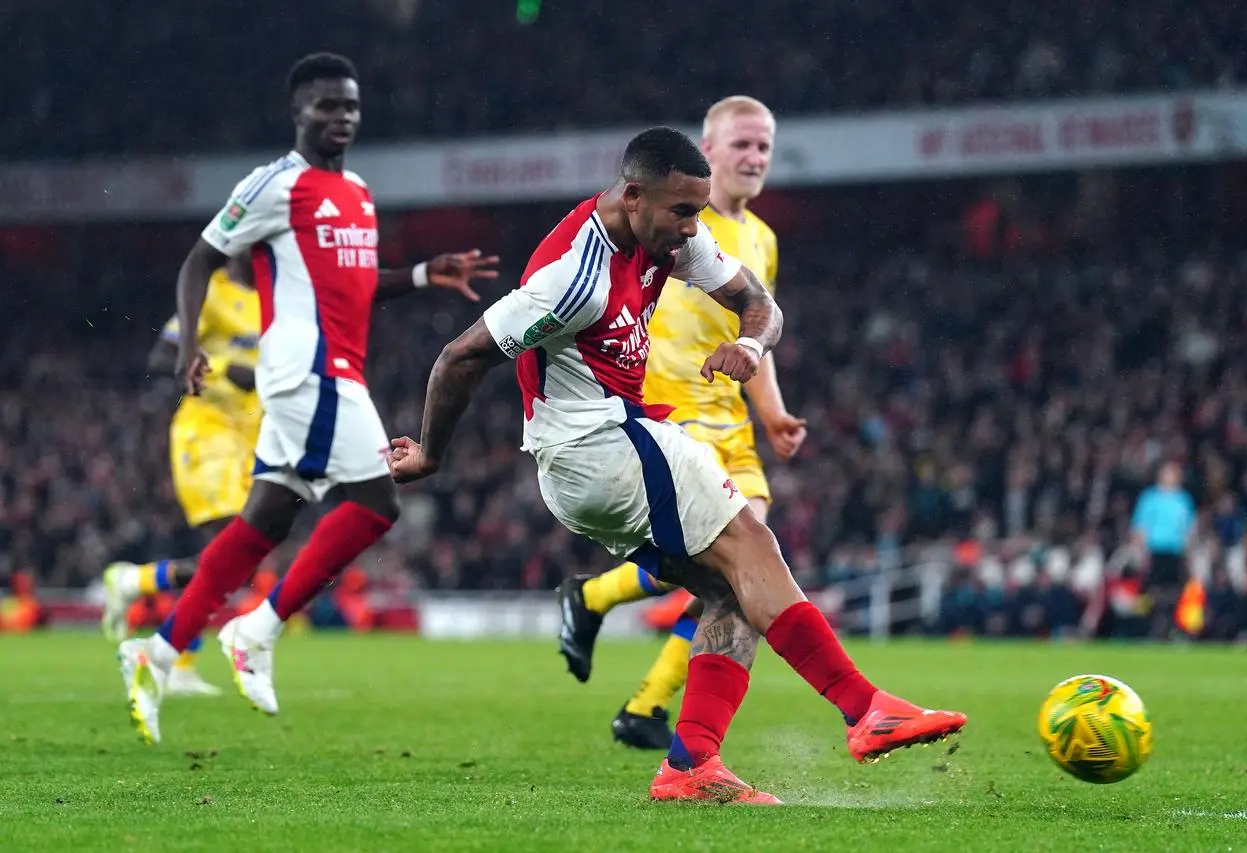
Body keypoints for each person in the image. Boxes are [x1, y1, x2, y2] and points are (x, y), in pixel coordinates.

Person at [388, 126, 967, 804]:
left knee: (732, 590)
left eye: (698, 211)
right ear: (634, 195)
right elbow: (460, 354)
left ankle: (690, 763)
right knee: (751, 541)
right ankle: (866, 707)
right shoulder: (574, 276)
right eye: (682, 211)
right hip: (598, 446)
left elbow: (759, 304)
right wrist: (431, 452)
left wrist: (750, 349)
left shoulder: (669, 236)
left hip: (609, 448)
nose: (693, 227)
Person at [116, 52, 499, 745]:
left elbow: (355, 284)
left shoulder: (357, 191)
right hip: (309, 370)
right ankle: (257, 631)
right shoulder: (274, 184)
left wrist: (420, 272)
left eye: (350, 105)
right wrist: (186, 348)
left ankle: (159, 648)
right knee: (378, 500)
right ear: (298, 112)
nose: (341, 116)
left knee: (262, 521)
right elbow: (200, 257)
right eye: (327, 105)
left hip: (331, 370)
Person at [554, 96, 807, 750]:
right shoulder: (673, 224)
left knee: (739, 566)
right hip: (669, 406)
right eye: (741, 145)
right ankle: (652, 704)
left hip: (730, 418)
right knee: (734, 559)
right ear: (709, 148)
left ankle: (603, 617)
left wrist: (773, 412)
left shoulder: (763, 239)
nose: (753, 158)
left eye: (764, 148)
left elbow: (754, 328)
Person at [101, 254, 259, 698]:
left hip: (254, 437)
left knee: (238, 565)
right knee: (229, 548)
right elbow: (162, 355)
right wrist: (228, 369)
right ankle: (174, 661)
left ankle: (137, 583)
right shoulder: (210, 295)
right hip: (207, 431)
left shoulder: (279, 300)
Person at [1130, 460, 1197, 640]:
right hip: (1155, 551)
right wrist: (1142, 552)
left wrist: (1188, 553)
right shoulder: (1150, 498)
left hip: (1175, 552)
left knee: (1174, 591)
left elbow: (1189, 529)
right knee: (1149, 591)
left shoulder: (1183, 499)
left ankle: (1169, 627)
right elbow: (1140, 527)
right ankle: (1141, 627)